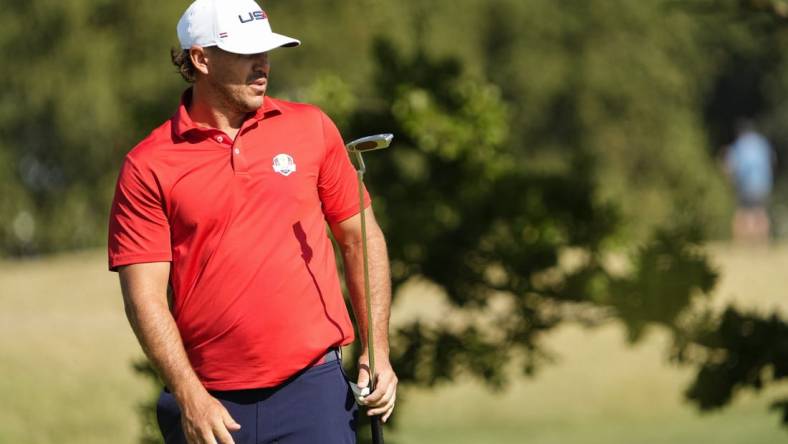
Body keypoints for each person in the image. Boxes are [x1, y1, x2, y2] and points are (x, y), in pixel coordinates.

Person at [107, 1, 397, 443]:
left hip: (313, 391)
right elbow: (144, 298)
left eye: (266, 51)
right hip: (212, 405)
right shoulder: (149, 165)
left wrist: (377, 350)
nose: (262, 64)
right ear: (200, 58)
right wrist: (189, 395)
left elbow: (360, 239)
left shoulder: (312, 128)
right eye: (245, 52)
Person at [725, 120, 777, 244]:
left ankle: (741, 243)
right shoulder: (762, 142)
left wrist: (730, 181)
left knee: (742, 213)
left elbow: (730, 165)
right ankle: (762, 243)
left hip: (744, 185)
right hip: (763, 184)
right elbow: (773, 160)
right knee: (760, 212)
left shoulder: (739, 144)